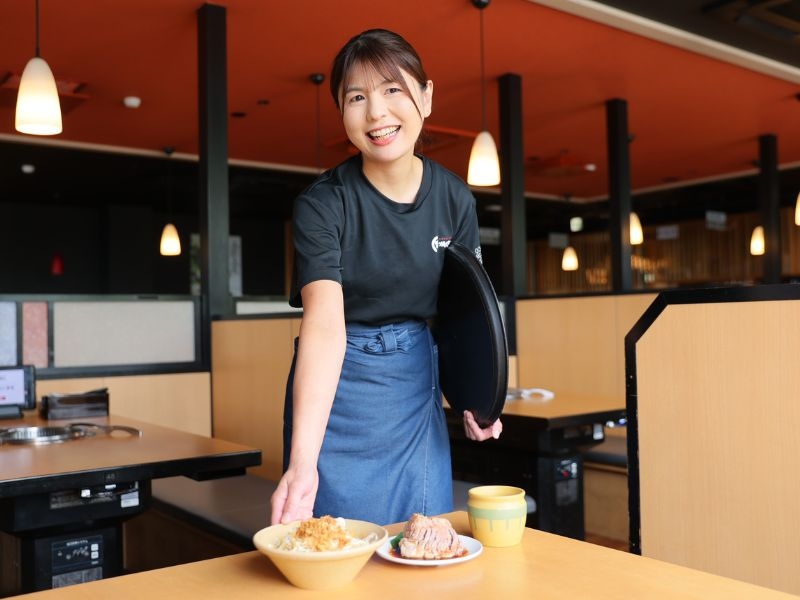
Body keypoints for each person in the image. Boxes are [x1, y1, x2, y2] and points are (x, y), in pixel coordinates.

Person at [270, 28, 503, 527]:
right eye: (357, 97)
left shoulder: (455, 199)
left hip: (414, 390)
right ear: (342, 112)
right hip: (337, 393)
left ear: (426, 96)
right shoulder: (322, 205)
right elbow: (326, 324)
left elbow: (467, 311)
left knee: (422, 543)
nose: (376, 113)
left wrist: (474, 398)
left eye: (392, 89)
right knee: (335, 550)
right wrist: (302, 463)